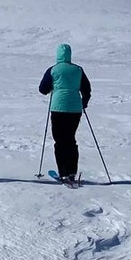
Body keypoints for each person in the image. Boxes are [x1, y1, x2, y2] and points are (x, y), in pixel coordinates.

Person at [39, 42, 91, 186]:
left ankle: (63, 173)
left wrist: (53, 87)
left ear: (58, 55)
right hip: (75, 110)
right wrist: (83, 103)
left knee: (60, 141)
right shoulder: (78, 69)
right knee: (70, 140)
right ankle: (72, 172)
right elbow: (86, 89)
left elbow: (43, 89)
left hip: (58, 109)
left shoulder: (53, 69)